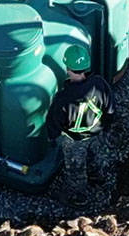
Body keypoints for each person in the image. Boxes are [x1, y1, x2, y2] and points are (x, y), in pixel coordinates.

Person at [46, 45, 115, 203]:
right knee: (97, 156)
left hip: (74, 140)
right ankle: (98, 177)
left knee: (75, 171)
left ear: (68, 69)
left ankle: (80, 198)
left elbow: (54, 123)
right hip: (97, 132)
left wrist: (53, 138)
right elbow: (110, 108)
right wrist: (106, 126)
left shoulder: (63, 98)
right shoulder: (99, 83)